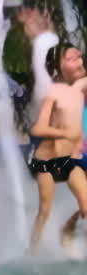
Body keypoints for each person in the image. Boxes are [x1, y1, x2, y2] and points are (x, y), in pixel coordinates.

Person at [25, 44, 87, 253]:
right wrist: (65, 133)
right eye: (71, 59)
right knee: (44, 211)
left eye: (79, 57)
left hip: (70, 161)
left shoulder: (80, 87)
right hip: (46, 161)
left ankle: (66, 230)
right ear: (59, 66)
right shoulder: (54, 92)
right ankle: (31, 253)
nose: (78, 61)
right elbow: (39, 127)